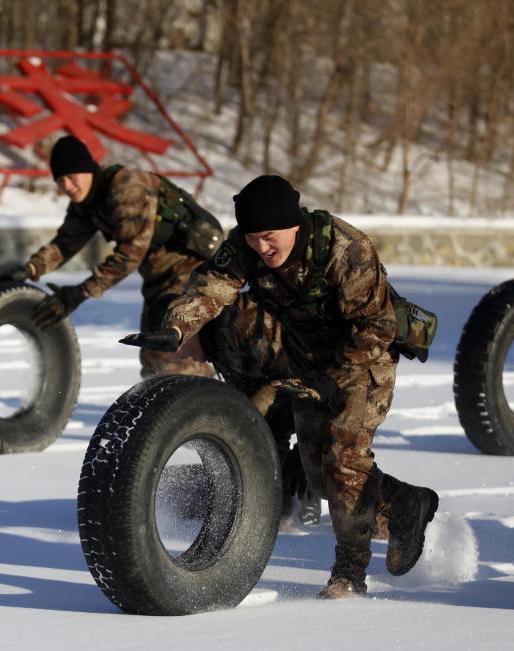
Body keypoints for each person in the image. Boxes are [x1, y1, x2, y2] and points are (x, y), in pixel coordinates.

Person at [121, 174, 439, 598]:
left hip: (364, 359)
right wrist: (176, 328)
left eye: (270, 238)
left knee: (344, 461)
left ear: (293, 224)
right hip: (308, 360)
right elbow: (211, 287)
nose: (262, 249)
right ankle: (406, 506)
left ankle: (349, 575)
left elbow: (376, 328)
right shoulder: (245, 246)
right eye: (253, 240)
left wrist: (332, 380)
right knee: (321, 478)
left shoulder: (346, 249)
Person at [0, 135, 223, 377]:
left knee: (172, 355)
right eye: (60, 180)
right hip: (159, 278)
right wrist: (30, 269)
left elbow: (131, 253)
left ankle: (207, 399)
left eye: (72, 176)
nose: (68, 186)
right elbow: (65, 243)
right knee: (153, 356)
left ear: (88, 170)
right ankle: (175, 399)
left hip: (191, 270)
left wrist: (80, 293)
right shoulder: (85, 203)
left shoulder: (128, 187)